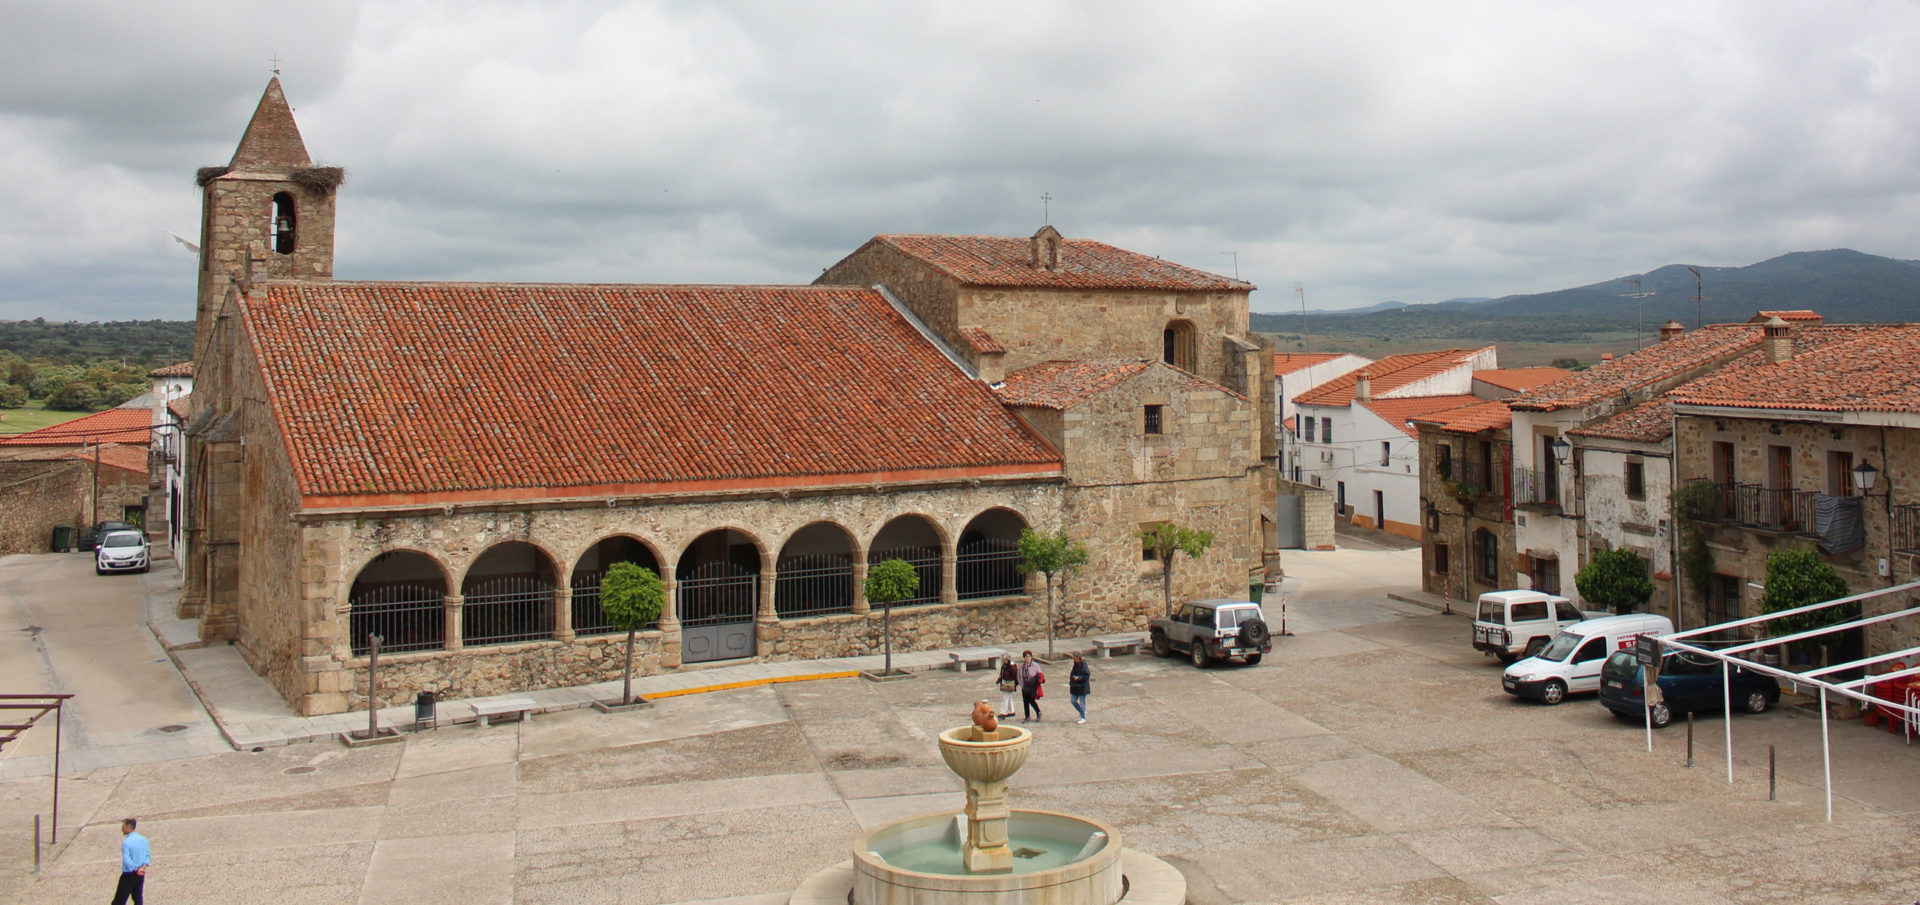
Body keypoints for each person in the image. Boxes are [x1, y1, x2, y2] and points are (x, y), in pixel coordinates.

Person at [114, 817, 149, 905]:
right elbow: (147, 855)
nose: (122, 829)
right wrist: (142, 868)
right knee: (138, 898)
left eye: (123, 827)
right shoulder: (144, 840)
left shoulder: (126, 842)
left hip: (129, 874)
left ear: (128, 827)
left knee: (119, 900)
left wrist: (135, 869)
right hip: (140, 874)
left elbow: (127, 860)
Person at [1018, 650, 1044, 722]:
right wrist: (1021, 684)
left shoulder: (1035, 665)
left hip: (1032, 685)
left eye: (1029, 656)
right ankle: (1027, 716)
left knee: (1031, 700)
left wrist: (1035, 679)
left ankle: (1038, 712)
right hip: (1025, 685)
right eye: (1026, 656)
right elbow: (1019, 676)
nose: (1028, 658)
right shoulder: (1021, 666)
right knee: (1025, 701)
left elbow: (1040, 675)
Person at [1068, 653, 1092, 723]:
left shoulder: (1083, 664)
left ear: (1078, 658)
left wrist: (1079, 678)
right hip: (1075, 687)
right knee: (1073, 700)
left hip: (1082, 687)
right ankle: (1082, 711)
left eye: (1074, 657)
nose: (1073, 658)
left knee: (1082, 702)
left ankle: (1083, 717)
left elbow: (1086, 675)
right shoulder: (1075, 664)